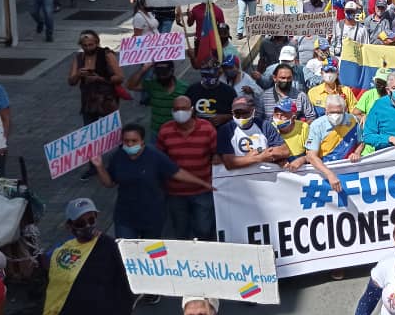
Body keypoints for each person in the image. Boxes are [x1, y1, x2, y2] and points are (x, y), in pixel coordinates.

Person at [44, 198, 132, 315]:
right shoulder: (61, 251)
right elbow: (56, 286)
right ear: (69, 226)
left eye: (91, 220)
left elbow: (124, 283)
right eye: (81, 223)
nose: (88, 226)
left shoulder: (109, 246)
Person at [156, 96, 217, 241]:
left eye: (183, 109)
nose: (180, 112)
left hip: (202, 190)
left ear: (191, 110)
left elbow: (216, 154)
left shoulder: (207, 129)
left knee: (204, 229)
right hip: (175, 192)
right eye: (176, 109)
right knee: (180, 230)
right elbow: (160, 159)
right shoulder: (165, 131)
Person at [68, 30, 124, 180]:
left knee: (115, 132)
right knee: (90, 136)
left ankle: (122, 161)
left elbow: (120, 77)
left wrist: (100, 78)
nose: (88, 48)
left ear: (97, 42)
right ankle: (93, 166)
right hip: (88, 100)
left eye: (91, 44)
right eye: (85, 45)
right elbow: (71, 81)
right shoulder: (79, 58)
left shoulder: (107, 55)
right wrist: (79, 74)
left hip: (107, 99)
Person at [216, 96, 291, 169]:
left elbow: (285, 150)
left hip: (263, 176)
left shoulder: (264, 125)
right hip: (238, 179)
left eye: (245, 112)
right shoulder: (226, 130)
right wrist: (259, 158)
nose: (241, 117)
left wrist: (257, 153)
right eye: (237, 113)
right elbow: (230, 163)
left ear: (253, 111)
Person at [125, 60, 188, 143]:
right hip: (157, 132)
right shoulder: (152, 85)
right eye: (158, 73)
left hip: (177, 132)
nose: (161, 76)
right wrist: (144, 69)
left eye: (164, 72)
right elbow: (130, 85)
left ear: (172, 70)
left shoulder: (184, 88)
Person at [184, 60, 237, 129]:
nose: (209, 78)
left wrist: (225, 117)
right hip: (197, 133)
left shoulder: (229, 92)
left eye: (212, 74)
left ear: (219, 73)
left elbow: (240, 114)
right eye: (206, 74)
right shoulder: (192, 90)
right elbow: (184, 113)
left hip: (221, 132)